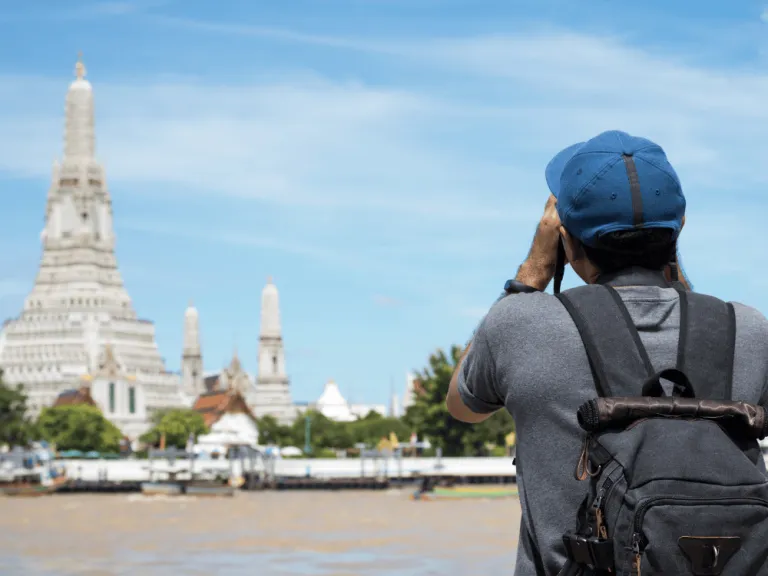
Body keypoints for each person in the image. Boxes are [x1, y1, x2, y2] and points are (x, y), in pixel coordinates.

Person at [445, 130, 768, 575]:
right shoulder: (749, 329)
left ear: (565, 239)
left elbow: (462, 407)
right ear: (680, 227)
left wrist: (533, 272)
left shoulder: (520, 324)